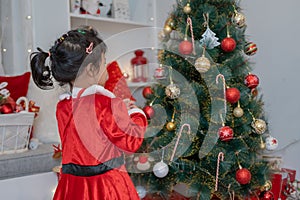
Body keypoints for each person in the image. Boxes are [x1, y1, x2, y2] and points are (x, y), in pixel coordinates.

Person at [30, 26, 147, 200]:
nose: (106, 67)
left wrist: (118, 109)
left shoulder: (63, 107)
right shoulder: (105, 103)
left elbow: (90, 125)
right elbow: (131, 142)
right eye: (104, 62)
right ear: (91, 69)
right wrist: (135, 113)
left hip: (72, 186)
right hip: (107, 186)